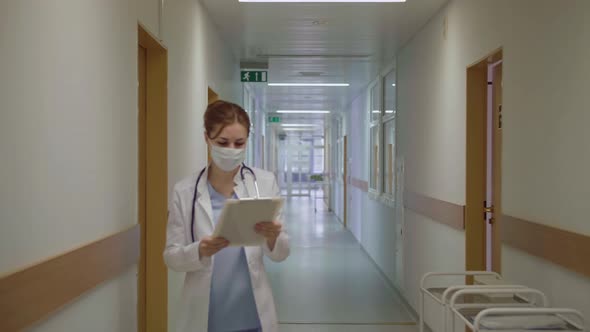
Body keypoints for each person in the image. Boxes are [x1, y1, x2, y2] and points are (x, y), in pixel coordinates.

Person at [164, 100, 290, 332]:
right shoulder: (185, 190)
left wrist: (273, 237)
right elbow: (171, 256)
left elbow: (281, 254)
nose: (231, 149)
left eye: (239, 142)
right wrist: (199, 250)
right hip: (206, 317)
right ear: (207, 138)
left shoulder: (263, 183)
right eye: (223, 142)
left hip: (252, 316)